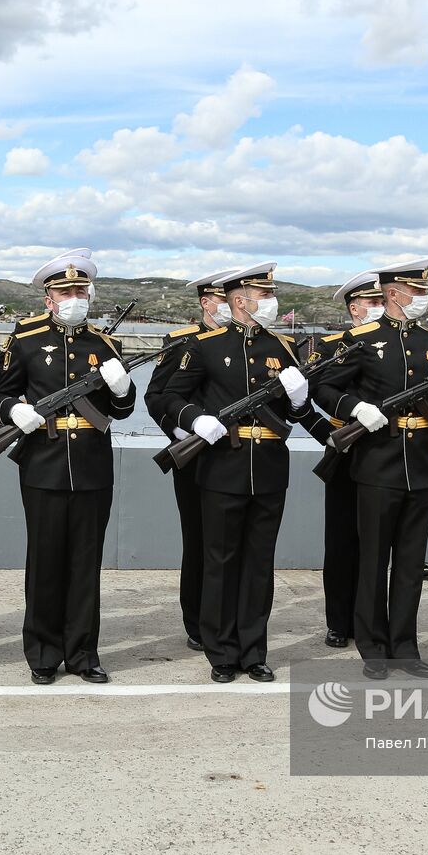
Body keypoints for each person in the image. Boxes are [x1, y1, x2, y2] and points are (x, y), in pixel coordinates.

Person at [312, 259, 428, 680]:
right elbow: (323, 387)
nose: (425, 298)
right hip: (377, 463)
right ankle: (373, 647)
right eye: (418, 292)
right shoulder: (361, 340)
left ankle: (405, 645)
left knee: (409, 564)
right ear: (394, 294)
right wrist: (355, 407)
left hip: (419, 463)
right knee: (373, 561)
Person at [161, 262, 314, 683]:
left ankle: (253, 650)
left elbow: (293, 413)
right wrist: (194, 419)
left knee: (259, 564)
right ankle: (222, 651)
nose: (271, 301)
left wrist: (300, 401)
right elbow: (171, 396)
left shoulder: (281, 348)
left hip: (267, 467)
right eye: (264, 295)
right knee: (220, 561)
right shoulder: (207, 347)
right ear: (240, 300)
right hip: (222, 468)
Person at [0, 250, 133, 684]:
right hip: (44, 464)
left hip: (92, 467)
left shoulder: (107, 346)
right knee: (46, 562)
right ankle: (43, 654)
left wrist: (123, 389)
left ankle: (84, 654)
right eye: (65, 291)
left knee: (86, 564)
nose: (75, 297)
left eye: (80, 290)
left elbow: (122, 411)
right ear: (49, 298)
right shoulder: (26, 339)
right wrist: (15, 409)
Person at [144, 268, 235, 652]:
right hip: (195, 455)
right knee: (199, 539)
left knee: (230, 542)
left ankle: (229, 618)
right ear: (206, 303)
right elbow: (156, 397)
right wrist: (180, 432)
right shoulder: (182, 343)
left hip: (234, 454)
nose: (230, 306)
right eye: (223, 299)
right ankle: (197, 621)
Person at [309, 269, 385, 649]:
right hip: (347, 448)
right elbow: (309, 397)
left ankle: (370, 618)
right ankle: (339, 620)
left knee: (375, 542)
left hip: (385, 449)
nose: (380, 307)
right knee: (342, 540)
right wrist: (330, 434)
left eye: (382, 301)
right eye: (373, 303)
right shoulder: (333, 346)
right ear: (355, 309)